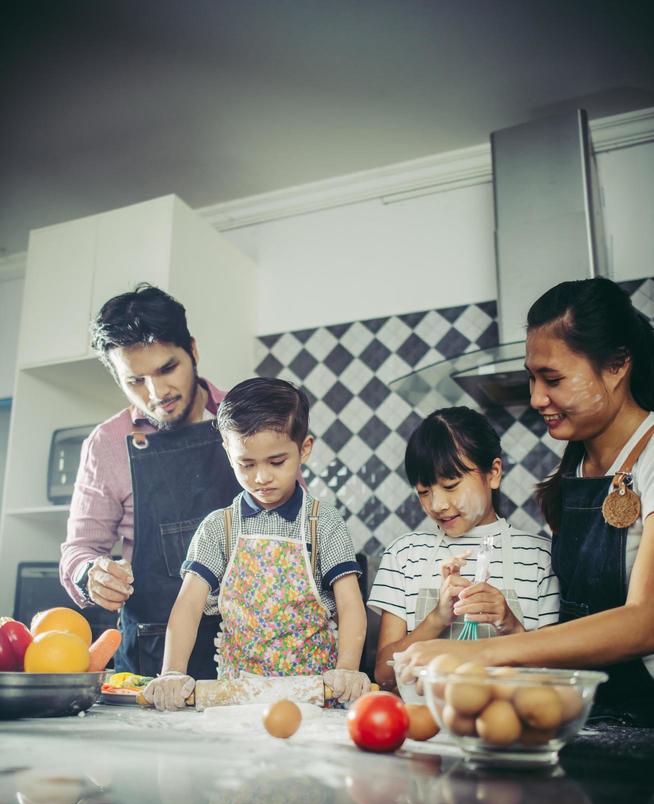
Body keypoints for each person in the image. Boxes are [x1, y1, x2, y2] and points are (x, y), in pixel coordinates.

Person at [399, 277, 654, 727]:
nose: (537, 398)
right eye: (532, 378)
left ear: (617, 366)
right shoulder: (573, 472)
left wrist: (486, 653)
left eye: (552, 379)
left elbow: (646, 619)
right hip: (583, 714)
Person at [143, 377, 369, 709]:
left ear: (304, 448)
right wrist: (172, 672)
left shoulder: (323, 524)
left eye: (276, 462)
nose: (261, 477)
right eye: (246, 464)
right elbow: (189, 604)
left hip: (313, 699)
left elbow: (350, 605)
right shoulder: (219, 528)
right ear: (227, 450)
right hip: (237, 698)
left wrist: (347, 670)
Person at [60, 284, 242, 677]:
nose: (157, 393)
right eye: (136, 381)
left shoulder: (247, 417)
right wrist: (91, 573)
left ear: (192, 350)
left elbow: (299, 525)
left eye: (166, 369)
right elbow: (78, 551)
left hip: (252, 648)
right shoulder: (106, 445)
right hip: (151, 663)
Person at [369, 406, 560, 691]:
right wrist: (437, 619)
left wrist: (510, 624)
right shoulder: (404, 556)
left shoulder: (539, 558)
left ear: (493, 473)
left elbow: (554, 677)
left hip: (508, 721)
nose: (437, 505)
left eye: (451, 485)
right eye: (424, 492)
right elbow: (383, 674)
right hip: (422, 723)